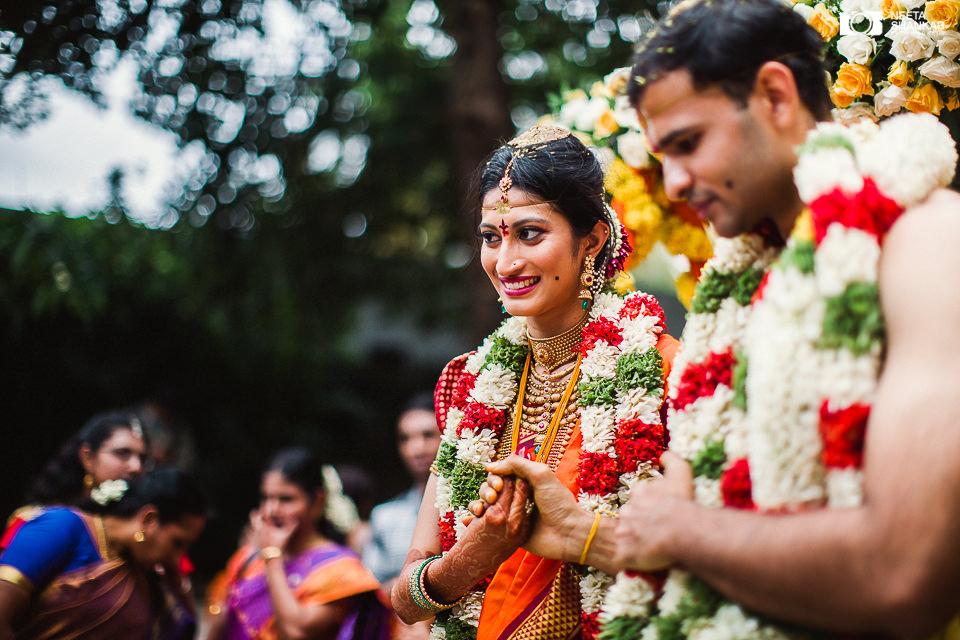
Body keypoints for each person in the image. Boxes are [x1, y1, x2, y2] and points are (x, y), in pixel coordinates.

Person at [480, 0, 960, 637]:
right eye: (660, 155)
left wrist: (682, 529)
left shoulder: (924, 242)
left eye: (688, 144)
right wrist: (582, 533)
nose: (673, 185)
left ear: (775, 96)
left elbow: (902, 578)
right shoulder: (727, 299)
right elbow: (702, 539)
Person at [390, 123, 679, 640]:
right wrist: (475, 554)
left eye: (530, 233)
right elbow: (405, 601)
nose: (506, 262)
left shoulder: (663, 372)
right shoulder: (468, 383)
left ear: (591, 239)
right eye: (490, 237)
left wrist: (582, 536)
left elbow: (702, 563)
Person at [205, 447, 392, 640]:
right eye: (266, 498)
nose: (271, 510)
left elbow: (297, 633)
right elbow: (218, 624)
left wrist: (272, 557)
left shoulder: (342, 570)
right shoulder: (249, 559)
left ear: (318, 501)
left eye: (286, 499)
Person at [0, 467, 207, 639]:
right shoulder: (63, 527)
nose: (178, 557)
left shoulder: (146, 579)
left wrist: (176, 583)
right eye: (177, 543)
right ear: (149, 519)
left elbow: (186, 632)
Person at [363, 392, 442, 590]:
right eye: (405, 439)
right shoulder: (385, 517)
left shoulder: (471, 507)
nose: (417, 448)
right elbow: (372, 587)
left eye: (428, 435)